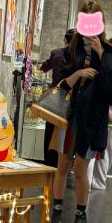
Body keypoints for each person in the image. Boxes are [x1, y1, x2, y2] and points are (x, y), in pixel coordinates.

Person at [51, 2, 112, 223]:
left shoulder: (109, 54)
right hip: (68, 118)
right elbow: (60, 86)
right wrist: (78, 73)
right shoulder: (71, 51)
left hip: (92, 120)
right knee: (62, 166)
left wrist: (101, 53)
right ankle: (57, 211)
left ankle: (81, 215)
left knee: (82, 170)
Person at [88, 36, 112, 190]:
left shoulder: (103, 61)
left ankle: (87, 183)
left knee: (91, 152)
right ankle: (99, 182)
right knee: (106, 154)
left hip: (98, 115)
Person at [39, 29, 74, 167]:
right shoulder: (78, 56)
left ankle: (49, 163)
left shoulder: (56, 53)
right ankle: (63, 164)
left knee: (50, 131)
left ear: (65, 40)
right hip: (71, 99)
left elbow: (44, 68)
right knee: (66, 132)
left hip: (54, 97)